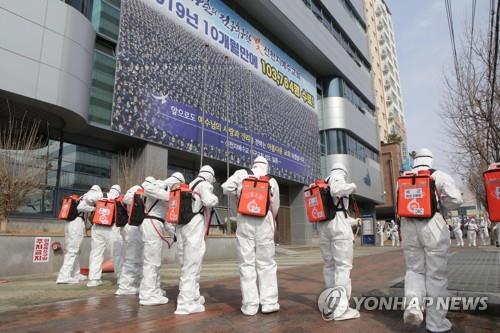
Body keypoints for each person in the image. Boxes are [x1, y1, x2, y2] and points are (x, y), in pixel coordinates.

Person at [401, 148, 462, 332]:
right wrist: (441, 203)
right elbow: (456, 200)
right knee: (436, 275)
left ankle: (413, 306)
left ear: (415, 161)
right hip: (432, 224)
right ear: (430, 159)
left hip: (408, 225)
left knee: (414, 270)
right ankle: (436, 323)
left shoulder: (403, 177)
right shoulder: (439, 175)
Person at [221, 156, 280, 316]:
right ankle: (269, 303)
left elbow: (225, 187)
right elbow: (275, 207)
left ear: (253, 164)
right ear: (266, 166)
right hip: (264, 220)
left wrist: (238, 194)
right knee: (266, 263)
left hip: (245, 219)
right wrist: (269, 217)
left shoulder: (242, 174)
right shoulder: (272, 180)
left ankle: (250, 305)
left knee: (246, 263)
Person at [315, 162, 360, 320]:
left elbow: (339, 212)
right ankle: (341, 308)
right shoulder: (337, 178)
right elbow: (336, 190)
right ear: (344, 172)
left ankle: (330, 303)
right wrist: (352, 186)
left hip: (324, 227)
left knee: (329, 266)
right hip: (339, 229)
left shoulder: (324, 181)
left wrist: (354, 221)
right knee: (342, 267)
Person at [175, 166, 219, 315]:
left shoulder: (190, 185)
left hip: (184, 225)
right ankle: (185, 303)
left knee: (190, 262)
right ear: (210, 176)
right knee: (192, 263)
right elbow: (208, 201)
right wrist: (215, 198)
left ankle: (193, 296)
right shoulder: (204, 184)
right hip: (195, 224)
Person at [139, 173, 184, 306]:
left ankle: (154, 290)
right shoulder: (161, 185)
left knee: (155, 261)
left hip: (156, 224)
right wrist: (168, 196)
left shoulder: (167, 190)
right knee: (151, 262)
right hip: (151, 223)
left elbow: (166, 220)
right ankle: (147, 295)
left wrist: (173, 234)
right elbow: (146, 189)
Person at [115, 177, 156, 296]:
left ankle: (135, 284)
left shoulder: (144, 191)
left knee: (139, 258)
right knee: (132, 258)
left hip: (138, 227)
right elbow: (127, 199)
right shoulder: (137, 189)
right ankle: (125, 286)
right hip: (132, 227)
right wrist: (141, 196)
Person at [56, 185, 103, 284]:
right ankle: (63, 276)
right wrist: (95, 209)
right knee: (73, 251)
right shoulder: (89, 198)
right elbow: (81, 208)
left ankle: (75, 274)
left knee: (73, 250)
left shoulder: (82, 197)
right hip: (76, 223)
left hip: (68, 223)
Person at [87, 185, 122, 287]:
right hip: (111, 228)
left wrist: (94, 206)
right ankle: (120, 277)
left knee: (96, 254)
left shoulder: (101, 195)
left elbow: (88, 198)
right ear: (118, 192)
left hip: (97, 227)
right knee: (116, 254)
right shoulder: (119, 198)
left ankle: (93, 280)